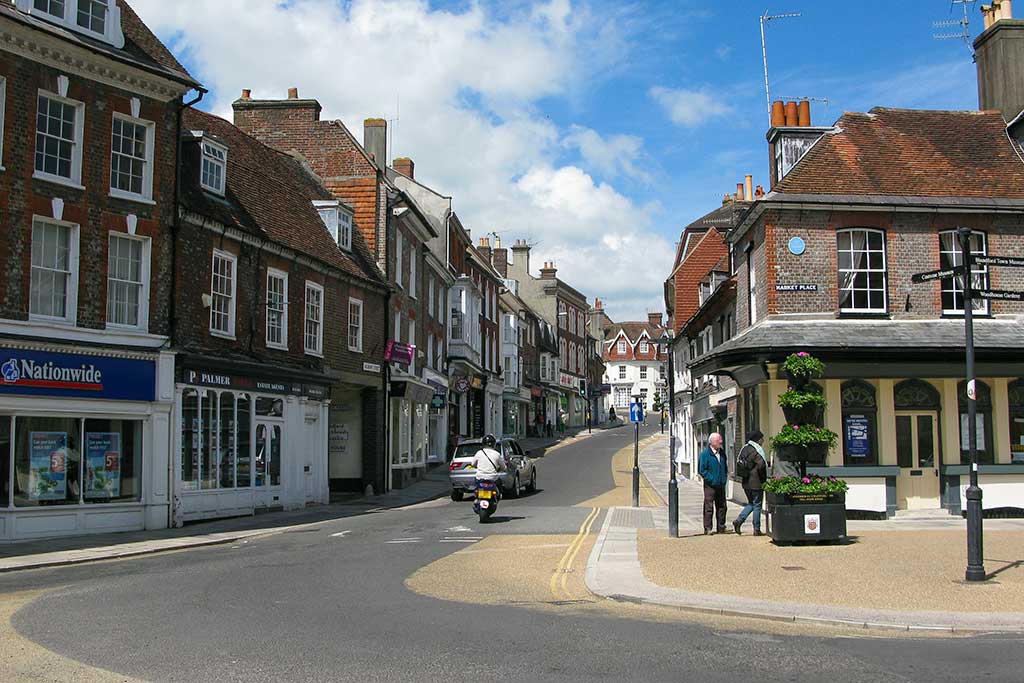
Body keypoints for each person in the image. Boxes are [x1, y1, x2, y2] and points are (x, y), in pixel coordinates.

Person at [733, 430, 768, 536]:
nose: (763, 440)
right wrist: (763, 479)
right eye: (762, 438)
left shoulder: (744, 449)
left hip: (746, 482)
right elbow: (761, 465)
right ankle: (756, 529)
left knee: (751, 503)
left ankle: (739, 520)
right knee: (757, 505)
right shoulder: (756, 450)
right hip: (756, 482)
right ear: (758, 440)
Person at [697, 432, 729, 534]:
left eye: (720, 439)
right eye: (718, 440)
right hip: (710, 485)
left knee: (722, 507)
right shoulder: (705, 454)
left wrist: (723, 478)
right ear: (712, 442)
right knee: (708, 507)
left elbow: (725, 467)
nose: (721, 441)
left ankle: (721, 527)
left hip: (720, 484)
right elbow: (702, 470)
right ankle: (708, 528)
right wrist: (711, 479)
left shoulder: (722, 453)